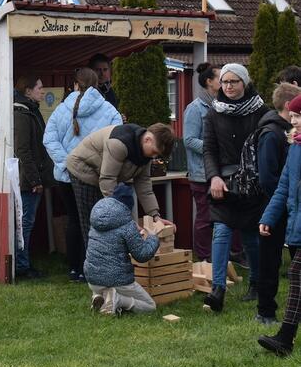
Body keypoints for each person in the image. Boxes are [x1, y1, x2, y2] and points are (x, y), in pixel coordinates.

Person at [44, 67, 121, 282]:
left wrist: (67, 163)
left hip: (65, 176)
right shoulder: (109, 110)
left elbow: (49, 139)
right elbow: (115, 142)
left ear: (75, 85)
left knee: (73, 220)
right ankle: (91, 267)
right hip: (94, 176)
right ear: (96, 84)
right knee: (92, 221)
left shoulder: (61, 109)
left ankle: (74, 268)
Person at [202, 63, 268, 313]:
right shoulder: (214, 112)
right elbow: (209, 149)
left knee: (251, 236)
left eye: (234, 81)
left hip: (253, 183)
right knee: (221, 231)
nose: (228, 86)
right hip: (224, 182)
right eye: (225, 82)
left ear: (244, 83)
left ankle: (257, 283)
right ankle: (217, 289)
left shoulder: (260, 110)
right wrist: (214, 177)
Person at [66, 122, 176, 247]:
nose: (154, 156)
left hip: (103, 176)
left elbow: (144, 186)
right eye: (154, 152)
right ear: (148, 139)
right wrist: (126, 219)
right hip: (83, 169)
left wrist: (155, 216)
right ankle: (92, 258)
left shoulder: (146, 155)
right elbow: (108, 180)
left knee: (111, 220)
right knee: (94, 224)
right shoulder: (119, 143)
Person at [258, 93, 301, 356]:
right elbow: (283, 187)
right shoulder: (295, 147)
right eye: (292, 116)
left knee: (296, 274)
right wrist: (268, 217)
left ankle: (285, 339)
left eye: (298, 116)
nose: (293, 121)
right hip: (296, 225)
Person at [85, 184, 160, 315]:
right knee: (150, 306)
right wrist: (153, 238)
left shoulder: (96, 218)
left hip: (92, 278)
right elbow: (142, 255)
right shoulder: (127, 225)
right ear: (128, 205)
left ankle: (99, 296)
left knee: (102, 284)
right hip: (117, 279)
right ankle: (118, 299)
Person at [13, 74, 55, 279]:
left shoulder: (31, 111)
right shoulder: (22, 114)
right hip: (27, 180)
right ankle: (21, 265)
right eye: (39, 87)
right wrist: (35, 179)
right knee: (24, 223)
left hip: (32, 177)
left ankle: (23, 263)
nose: (43, 91)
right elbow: (23, 151)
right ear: (28, 91)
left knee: (26, 222)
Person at [183, 63, 220, 263]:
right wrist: (214, 148)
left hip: (220, 171)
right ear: (209, 82)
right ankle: (204, 258)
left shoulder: (221, 106)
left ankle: (230, 254)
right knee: (205, 218)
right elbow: (189, 140)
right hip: (200, 173)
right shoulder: (195, 108)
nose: (225, 82)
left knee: (225, 216)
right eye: (220, 78)